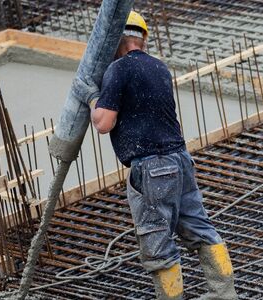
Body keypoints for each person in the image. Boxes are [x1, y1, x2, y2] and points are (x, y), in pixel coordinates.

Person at [88, 11, 238, 300]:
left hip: (151, 168)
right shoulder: (160, 68)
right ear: (143, 39)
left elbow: (104, 123)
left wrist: (92, 97)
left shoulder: (118, 70)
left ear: (114, 42)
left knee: (157, 241)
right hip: (180, 161)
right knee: (200, 227)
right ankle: (224, 294)